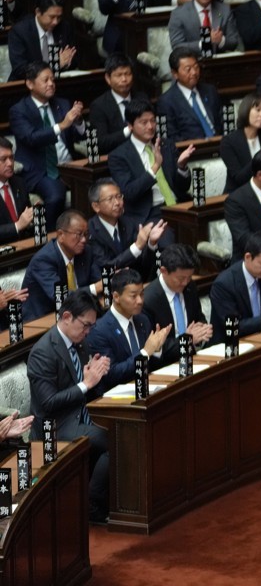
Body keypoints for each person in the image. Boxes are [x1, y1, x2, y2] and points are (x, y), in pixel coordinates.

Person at [26, 289, 115, 522]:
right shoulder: (43, 352)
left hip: (80, 414)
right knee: (114, 441)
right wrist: (85, 384)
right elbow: (48, 403)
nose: (87, 332)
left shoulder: (80, 343)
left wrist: (94, 373)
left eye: (91, 327)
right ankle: (92, 507)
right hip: (55, 426)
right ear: (67, 317)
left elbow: (83, 384)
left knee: (123, 427)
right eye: (85, 325)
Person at [11, 62, 84, 224]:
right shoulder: (19, 110)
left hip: (69, 166)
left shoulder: (62, 104)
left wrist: (78, 121)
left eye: (52, 79)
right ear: (30, 84)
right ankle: (49, 238)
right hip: (39, 170)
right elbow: (31, 138)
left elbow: (79, 136)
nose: (51, 84)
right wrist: (63, 125)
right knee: (56, 195)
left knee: (96, 188)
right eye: (45, 80)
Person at [108, 98, 195, 226]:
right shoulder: (118, 156)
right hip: (150, 213)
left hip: (179, 206)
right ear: (130, 125)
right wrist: (155, 167)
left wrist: (181, 167)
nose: (150, 126)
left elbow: (183, 187)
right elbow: (129, 193)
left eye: (153, 121)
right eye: (144, 122)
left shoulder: (166, 145)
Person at [89, 269, 173, 382]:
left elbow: (152, 365)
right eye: (133, 296)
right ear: (116, 297)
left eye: (142, 294)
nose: (140, 301)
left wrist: (156, 349)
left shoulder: (143, 320)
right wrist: (145, 353)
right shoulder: (100, 330)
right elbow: (111, 374)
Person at [21, 210, 102, 321]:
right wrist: (94, 288)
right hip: (43, 317)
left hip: (77, 313)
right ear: (60, 235)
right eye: (78, 234)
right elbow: (60, 297)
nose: (84, 240)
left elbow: (99, 281)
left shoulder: (86, 252)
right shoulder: (43, 260)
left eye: (86, 234)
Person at [86, 177, 168, 284]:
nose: (117, 203)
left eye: (119, 196)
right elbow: (106, 267)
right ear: (96, 206)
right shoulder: (90, 231)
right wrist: (137, 246)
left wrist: (151, 243)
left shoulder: (129, 222)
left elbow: (143, 263)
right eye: (110, 199)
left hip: (134, 283)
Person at [141, 243, 214, 353]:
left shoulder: (190, 287)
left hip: (191, 356)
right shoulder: (147, 301)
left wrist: (202, 329)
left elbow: (198, 317)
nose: (185, 282)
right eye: (181, 278)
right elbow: (152, 347)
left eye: (189, 277)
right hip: (164, 365)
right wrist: (187, 340)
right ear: (164, 271)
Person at [219, 92, 261, 194]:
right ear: (246, 110)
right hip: (238, 195)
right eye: (258, 110)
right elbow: (239, 178)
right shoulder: (228, 142)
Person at [167, 0, 242, 55]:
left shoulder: (224, 10)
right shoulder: (178, 14)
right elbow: (177, 46)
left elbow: (234, 42)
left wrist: (221, 40)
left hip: (219, 63)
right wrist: (204, 43)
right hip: (193, 62)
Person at [6, 0, 78, 81]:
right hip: (26, 86)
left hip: (58, 83)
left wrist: (67, 63)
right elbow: (20, 69)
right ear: (38, 12)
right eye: (51, 17)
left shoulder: (64, 27)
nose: (55, 22)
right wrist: (55, 65)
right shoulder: (20, 32)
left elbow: (73, 58)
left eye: (59, 17)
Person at [157, 48, 224, 142]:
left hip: (220, 144)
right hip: (192, 151)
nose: (194, 72)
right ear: (175, 74)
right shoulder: (166, 101)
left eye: (196, 67)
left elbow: (222, 122)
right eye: (188, 69)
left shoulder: (210, 91)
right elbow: (172, 137)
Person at [88, 56, 148, 154]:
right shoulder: (99, 106)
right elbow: (100, 143)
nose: (124, 79)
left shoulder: (142, 98)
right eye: (119, 75)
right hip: (116, 158)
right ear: (108, 78)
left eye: (127, 74)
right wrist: (127, 131)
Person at [0, 139, 34, 244]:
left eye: (11, 157)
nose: (10, 163)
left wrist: (34, 214)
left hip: (23, 246)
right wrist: (17, 225)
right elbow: (20, 224)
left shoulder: (19, 183)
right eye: (3, 159)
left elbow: (26, 219)